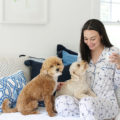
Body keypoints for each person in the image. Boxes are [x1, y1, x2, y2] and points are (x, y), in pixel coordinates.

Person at [55, 19, 120, 120]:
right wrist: (68, 84)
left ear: (101, 35)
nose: (89, 43)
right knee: (61, 102)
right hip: (84, 99)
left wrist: (119, 64)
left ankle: (96, 115)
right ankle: (90, 115)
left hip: (106, 102)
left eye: (93, 39)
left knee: (87, 102)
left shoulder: (113, 52)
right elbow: (79, 77)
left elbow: (117, 84)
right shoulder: (83, 53)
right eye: (86, 39)